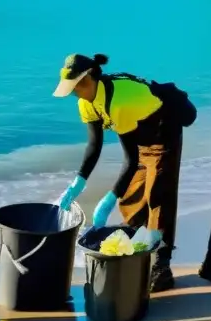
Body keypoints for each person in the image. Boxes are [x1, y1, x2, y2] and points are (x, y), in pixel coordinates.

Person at [53, 53, 184, 293]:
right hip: (138, 138)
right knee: (132, 196)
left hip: (163, 134)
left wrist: (107, 200)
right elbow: (94, 146)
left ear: (88, 79)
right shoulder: (85, 102)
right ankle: (133, 254)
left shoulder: (120, 100)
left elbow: (131, 160)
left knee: (157, 196)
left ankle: (161, 268)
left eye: (75, 87)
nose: (73, 92)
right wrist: (78, 182)